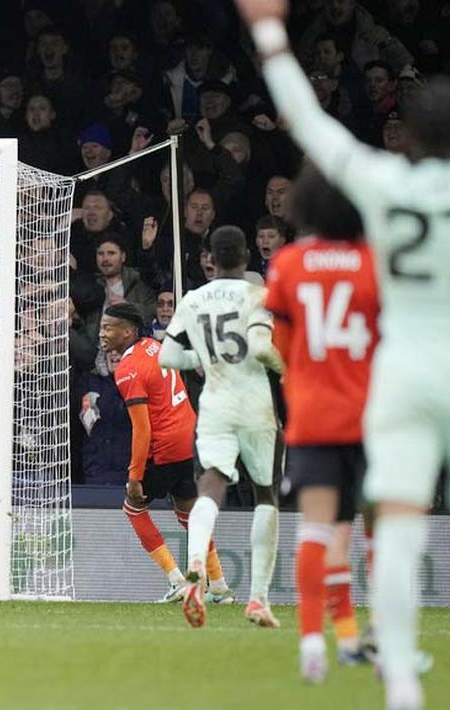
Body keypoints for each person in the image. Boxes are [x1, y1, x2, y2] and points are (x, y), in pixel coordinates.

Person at [237, 1, 450, 706]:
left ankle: (398, 684)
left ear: (411, 139)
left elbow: (308, 122)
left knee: (395, 528)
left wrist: (271, 32)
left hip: (400, 372)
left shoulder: (384, 181)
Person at [263, 167, 376, 682]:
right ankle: (373, 639)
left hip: (311, 415)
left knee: (316, 529)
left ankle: (315, 644)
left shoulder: (286, 265)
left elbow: (281, 348)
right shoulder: (373, 264)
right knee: (367, 533)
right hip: (370, 414)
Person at [159, 226, 283, 629]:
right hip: (254, 404)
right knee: (265, 493)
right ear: (246, 254)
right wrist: (288, 369)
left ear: (210, 257)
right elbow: (262, 348)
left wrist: (206, 358)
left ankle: (196, 564)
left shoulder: (193, 299)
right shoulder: (258, 296)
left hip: (214, 402)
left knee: (210, 484)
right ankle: (258, 601)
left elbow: (168, 356)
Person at [98, 302, 233, 606]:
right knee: (189, 515)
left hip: (166, 447)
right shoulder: (156, 347)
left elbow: (142, 430)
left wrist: (134, 477)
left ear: (128, 331)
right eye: (102, 326)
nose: (102, 333)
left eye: (109, 327)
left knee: (133, 508)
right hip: (189, 439)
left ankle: (177, 581)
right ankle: (220, 587)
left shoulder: (128, 369)